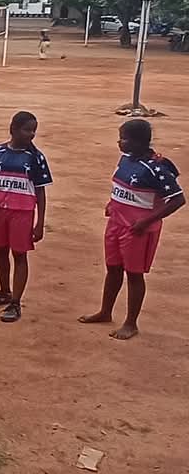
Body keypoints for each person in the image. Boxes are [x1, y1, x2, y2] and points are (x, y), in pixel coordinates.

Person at [79, 119, 184, 340]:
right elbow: (122, 186)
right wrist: (112, 203)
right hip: (116, 224)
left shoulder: (157, 168)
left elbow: (177, 199)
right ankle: (105, 311)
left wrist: (147, 221)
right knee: (113, 268)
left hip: (137, 230)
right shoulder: (126, 159)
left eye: (124, 138)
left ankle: (130, 323)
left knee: (134, 275)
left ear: (138, 142)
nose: (120, 142)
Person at [0, 111, 52, 323]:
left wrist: (39, 223)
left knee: (19, 255)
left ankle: (16, 302)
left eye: (33, 130)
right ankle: (4, 291)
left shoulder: (36, 158)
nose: (31, 134)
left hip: (22, 213)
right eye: (27, 129)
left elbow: (40, 191)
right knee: (0, 251)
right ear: (13, 129)